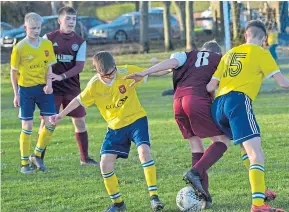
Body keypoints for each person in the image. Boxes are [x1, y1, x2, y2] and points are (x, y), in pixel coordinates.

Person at [49, 51, 165, 212]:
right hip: (115, 127)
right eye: (106, 75)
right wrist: (60, 115)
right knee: (104, 164)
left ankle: (154, 197)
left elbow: (150, 72)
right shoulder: (94, 85)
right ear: (97, 71)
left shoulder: (125, 71)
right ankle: (118, 204)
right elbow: (78, 100)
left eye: (113, 72)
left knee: (144, 152)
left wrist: (172, 67)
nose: (111, 77)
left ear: (115, 64)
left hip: (136, 120)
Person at [123, 40, 230, 209]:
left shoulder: (187, 55)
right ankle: (195, 171)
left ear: (202, 50)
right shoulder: (220, 59)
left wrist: (145, 72)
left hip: (178, 102)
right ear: (217, 52)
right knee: (222, 141)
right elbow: (214, 87)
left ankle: (205, 197)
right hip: (197, 100)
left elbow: (171, 64)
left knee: (196, 144)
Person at [206, 20, 289, 212]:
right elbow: (283, 83)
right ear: (264, 39)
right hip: (238, 102)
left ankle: (261, 190)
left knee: (246, 149)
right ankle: (258, 205)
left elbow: (210, 86)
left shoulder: (228, 54)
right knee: (256, 153)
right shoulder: (261, 52)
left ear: (245, 35)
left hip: (218, 106)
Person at [39, 6, 98, 166]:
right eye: (68, 19)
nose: (71, 22)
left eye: (74, 19)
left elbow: (79, 66)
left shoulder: (80, 41)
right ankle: (38, 158)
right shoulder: (48, 38)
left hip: (71, 88)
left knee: (79, 121)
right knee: (47, 122)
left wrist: (62, 76)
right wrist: (49, 81)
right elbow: (43, 63)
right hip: (52, 88)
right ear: (60, 20)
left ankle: (84, 159)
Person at [10, 12, 57, 173]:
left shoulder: (46, 44)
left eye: (38, 28)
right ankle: (24, 164)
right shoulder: (19, 48)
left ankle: (36, 154)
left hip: (44, 89)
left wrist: (49, 84)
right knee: (27, 126)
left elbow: (49, 66)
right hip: (26, 91)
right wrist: (16, 94)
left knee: (51, 122)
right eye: (32, 28)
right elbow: (13, 72)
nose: (36, 31)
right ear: (25, 28)